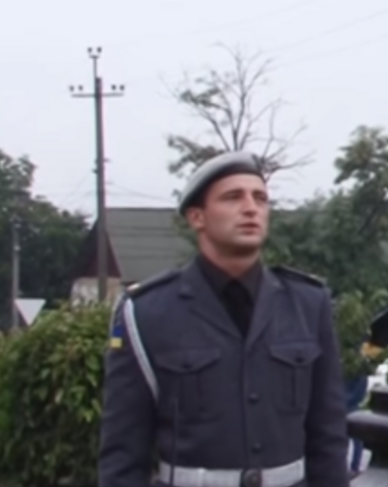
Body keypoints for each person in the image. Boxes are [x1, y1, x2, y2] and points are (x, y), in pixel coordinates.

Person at [98, 151, 349, 487]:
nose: (250, 208)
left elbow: (328, 436)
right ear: (197, 217)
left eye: (260, 198)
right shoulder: (148, 311)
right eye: (233, 197)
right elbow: (122, 455)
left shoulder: (307, 303)